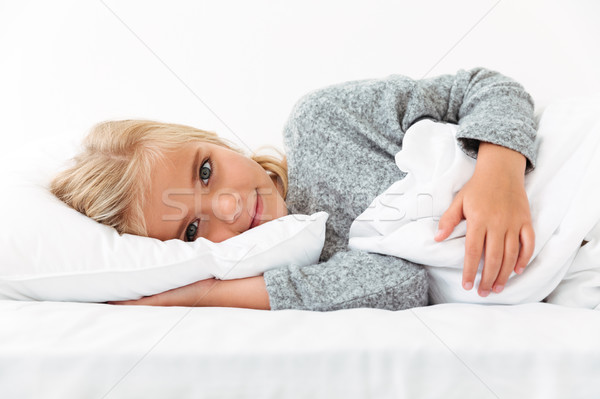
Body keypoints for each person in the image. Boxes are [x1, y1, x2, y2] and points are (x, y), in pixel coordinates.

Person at [50, 67, 537, 311]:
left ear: (215, 141)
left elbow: (485, 85)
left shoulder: (322, 122)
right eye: (193, 227)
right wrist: (203, 295)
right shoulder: (296, 261)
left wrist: (499, 175)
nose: (229, 204)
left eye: (204, 171)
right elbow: (402, 285)